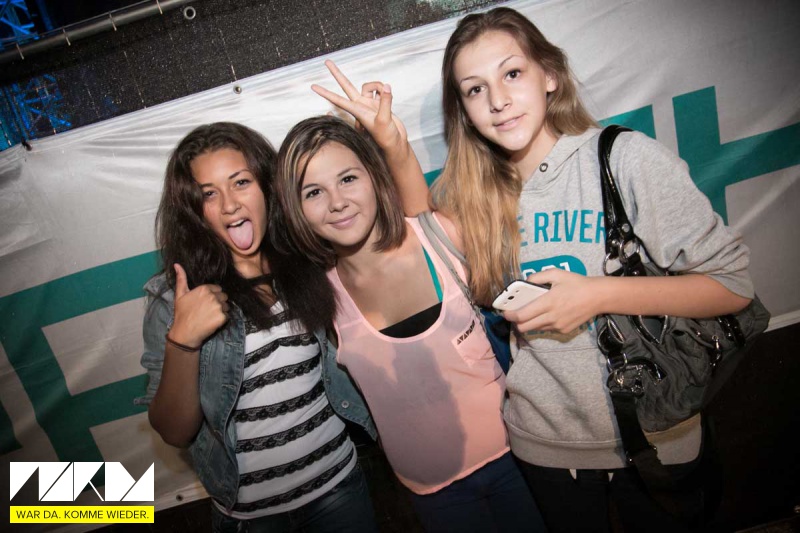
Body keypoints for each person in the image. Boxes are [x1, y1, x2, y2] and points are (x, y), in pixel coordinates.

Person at [392, 6, 753, 532]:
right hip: (544, 448)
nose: (497, 100)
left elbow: (732, 285)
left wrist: (596, 294)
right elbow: (422, 227)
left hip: (656, 436)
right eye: (475, 89)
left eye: (512, 73)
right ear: (464, 111)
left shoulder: (623, 158)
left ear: (549, 76)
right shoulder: (477, 199)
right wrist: (389, 141)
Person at [272, 104, 546, 530]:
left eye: (348, 178)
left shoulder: (440, 236)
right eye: (313, 192)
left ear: (373, 176)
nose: (337, 202)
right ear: (295, 209)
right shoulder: (317, 300)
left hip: (521, 457)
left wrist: (395, 144)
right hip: (433, 494)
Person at [136, 122, 379, 533]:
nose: (230, 205)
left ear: (267, 186)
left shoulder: (309, 260)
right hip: (253, 519)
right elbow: (175, 431)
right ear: (192, 211)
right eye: (208, 194)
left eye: (241, 182)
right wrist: (183, 341)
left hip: (340, 486)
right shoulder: (174, 298)